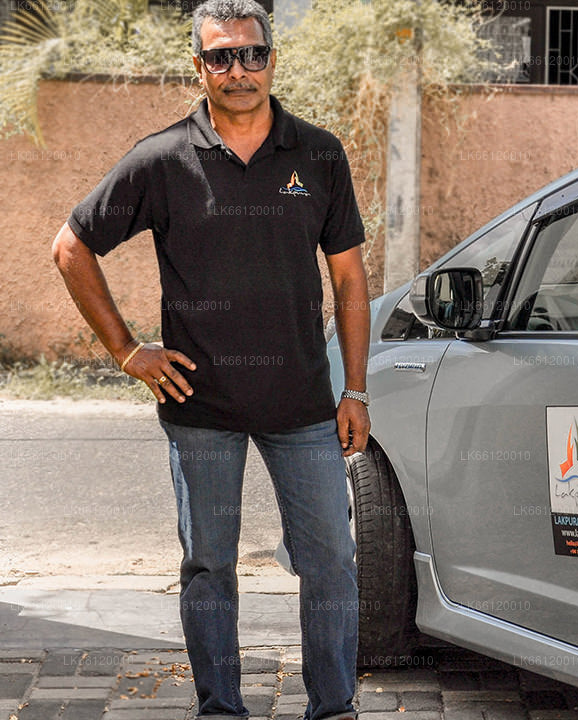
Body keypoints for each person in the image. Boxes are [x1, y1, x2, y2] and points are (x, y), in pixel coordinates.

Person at [51, 1, 368, 717]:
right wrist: (126, 350)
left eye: (251, 54)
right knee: (208, 568)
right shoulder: (162, 159)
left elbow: (350, 279)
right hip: (201, 407)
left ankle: (334, 708)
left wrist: (356, 389)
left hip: (303, 405)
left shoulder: (319, 154)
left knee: (330, 562)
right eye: (221, 57)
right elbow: (71, 248)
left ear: (272, 60)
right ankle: (220, 709)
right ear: (198, 66)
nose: (238, 70)